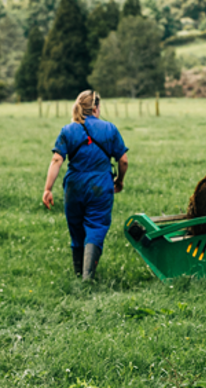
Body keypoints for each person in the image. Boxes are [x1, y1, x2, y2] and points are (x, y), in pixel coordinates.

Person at [42, 90, 129, 281]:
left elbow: (57, 160)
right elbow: (123, 160)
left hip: (74, 186)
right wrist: (120, 180)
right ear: (96, 108)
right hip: (100, 185)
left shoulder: (68, 130)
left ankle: (78, 273)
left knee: (76, 228)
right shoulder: (110, 129)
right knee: (96, 226)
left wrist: (48, 189)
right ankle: (88, 277)